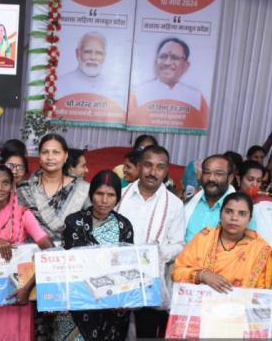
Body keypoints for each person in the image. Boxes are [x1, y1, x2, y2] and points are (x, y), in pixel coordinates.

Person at [15, 133, 90, 341]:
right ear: (39, 157)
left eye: (56, 152)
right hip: (31, 272)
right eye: (45, 152)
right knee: (35, 331)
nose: (50, 157)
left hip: (70, 272)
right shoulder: (24, 189)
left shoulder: (82, 190)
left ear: (65, 156)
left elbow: (90, 229)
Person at [0, 165, 54, 341]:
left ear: (12, 187)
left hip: (16, 295)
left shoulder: (23, 215)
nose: (0, 188)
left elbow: (51, 251)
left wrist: (28, 287)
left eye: (5, 183)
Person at [116, 144, 185, 339]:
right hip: (117, 281)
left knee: (145, 334)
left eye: (159, 167)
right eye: (148, 165)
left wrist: (157, 252)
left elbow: (179, 245)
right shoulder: (119, 196)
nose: (153, 172)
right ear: (139, 166)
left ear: (166, 171)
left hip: (151, 283)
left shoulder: (174, 204)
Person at [62, 170, 135, 341]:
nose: (104, 200)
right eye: (99, 193)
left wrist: (125, 299)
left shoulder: (124, 225)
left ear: (118, 198)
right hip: (79, 303)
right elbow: (65, 266)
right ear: (91, 194)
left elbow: (129, 267)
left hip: (113, 307)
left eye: (111, 195)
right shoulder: (74, 222)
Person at [173, 192, 272, 291]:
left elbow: (261, 293)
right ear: (220, 213)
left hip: (239, 303)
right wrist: (201, 275)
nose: (234, 218)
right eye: (228, 211)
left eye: (242, 214)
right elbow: (177, 272)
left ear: (249, 218)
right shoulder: (204, 237)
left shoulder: (260, 249)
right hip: (199, 302)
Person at [127, 38, 209, 129]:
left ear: (186, 65)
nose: (167, 62)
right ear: (156, 62)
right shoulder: (137, 94)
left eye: (175, 57)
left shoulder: (196, 98)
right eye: (163, 56)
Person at [56, 32, 127, 117]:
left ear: (104, 57)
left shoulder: (115, 87)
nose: (93, 57)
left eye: (99, 53)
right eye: (88, 51)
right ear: (78, 53)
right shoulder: (60, 84)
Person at [183, 155, 236, 243]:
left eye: (218, 174)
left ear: (230, 178)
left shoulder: (241, 208)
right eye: (207, 173)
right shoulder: (190, 200)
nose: (211, 178)